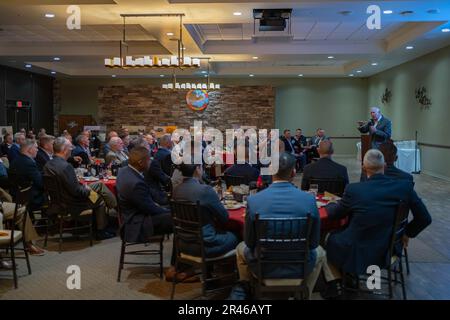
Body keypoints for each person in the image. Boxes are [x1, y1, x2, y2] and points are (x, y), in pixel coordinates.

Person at [322, 149, 432, 299]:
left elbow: (336, 213)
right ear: (384, 167)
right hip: (389, 248)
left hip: (358, 248)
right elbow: (425, 218)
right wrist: (406, 233)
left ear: (363, 168)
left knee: (328, 238)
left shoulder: (354, 190)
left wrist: (329, 205)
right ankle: (369, 284)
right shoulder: (404, 187)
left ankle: (339, 282)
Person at [232, 152, 324, 299]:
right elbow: (313, 244)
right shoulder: (309, 200)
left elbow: (249, 243)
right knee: (321, 252)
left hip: (264, 266)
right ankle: (305, 293)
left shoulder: (254, 201)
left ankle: (245, 287)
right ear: (294, 172)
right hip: (299, 266)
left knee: (240, 248)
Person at [43, 137, 116, 240]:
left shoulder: (48, 164)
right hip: (71, 203)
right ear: (64, 149)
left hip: (58, 201)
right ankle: (101, 230)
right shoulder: (66, 166)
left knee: (99, 184)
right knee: (99, 199)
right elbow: (76, 191)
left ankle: (114, 207)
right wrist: (86, 189)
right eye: (70, 147)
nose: (71, 150)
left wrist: (85, 187)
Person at [172, 161, 238, 258]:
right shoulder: (205, 190)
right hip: (204, 245)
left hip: (182, 243)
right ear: (197, 169)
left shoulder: (176, 190)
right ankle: (226, 270)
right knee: (237, 236)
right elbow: (224, 218)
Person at [116, 146, 172, 243]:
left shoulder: (123, 171)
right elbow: (150, 209)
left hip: (131, 215)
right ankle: (181, 254)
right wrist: (167, 210)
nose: (150, 162)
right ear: (141, 163)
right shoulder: (136, 183)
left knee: (172, 211)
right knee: (177, 218)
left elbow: (148, 201)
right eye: (148, 160)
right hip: (137, 224)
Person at [9, 139, 45, 211]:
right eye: (36, 147)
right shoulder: (28, 163)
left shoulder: (16, 160)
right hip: (29, 199)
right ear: (30, 150)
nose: (37, 150)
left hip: (18, 196)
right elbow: (41, 183)